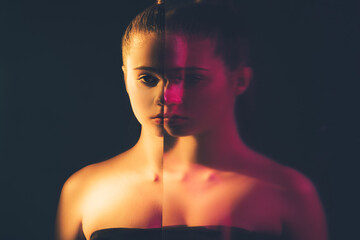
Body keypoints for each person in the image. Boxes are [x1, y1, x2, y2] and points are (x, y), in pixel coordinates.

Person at [55, 1, 328, 240]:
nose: (167, 96)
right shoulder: (83, 191)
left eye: (193, 78)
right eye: (147, 78)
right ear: (125, 77)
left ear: (240, 80)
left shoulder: (289, 194)